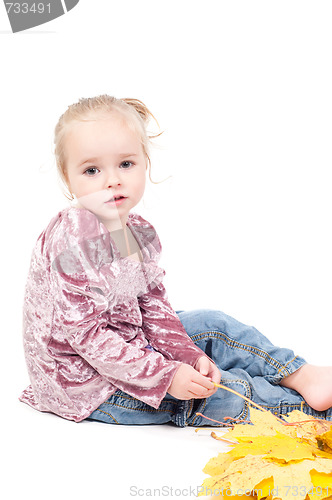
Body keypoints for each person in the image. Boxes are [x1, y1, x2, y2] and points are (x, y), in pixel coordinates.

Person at [19, 95, 332, 426]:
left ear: (144, 163)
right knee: (217, 391)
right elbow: (87, 336)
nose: (113, 180)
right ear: (68, 178)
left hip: (130, 343)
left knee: (214, 325)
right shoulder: (71, 239)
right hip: (88, 382)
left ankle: (301, 375)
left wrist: (189, 355)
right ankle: (303, 412)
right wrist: (166, 375)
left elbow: (153, 306)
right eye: (92, 170)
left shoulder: (138, 232)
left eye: (126, 164)